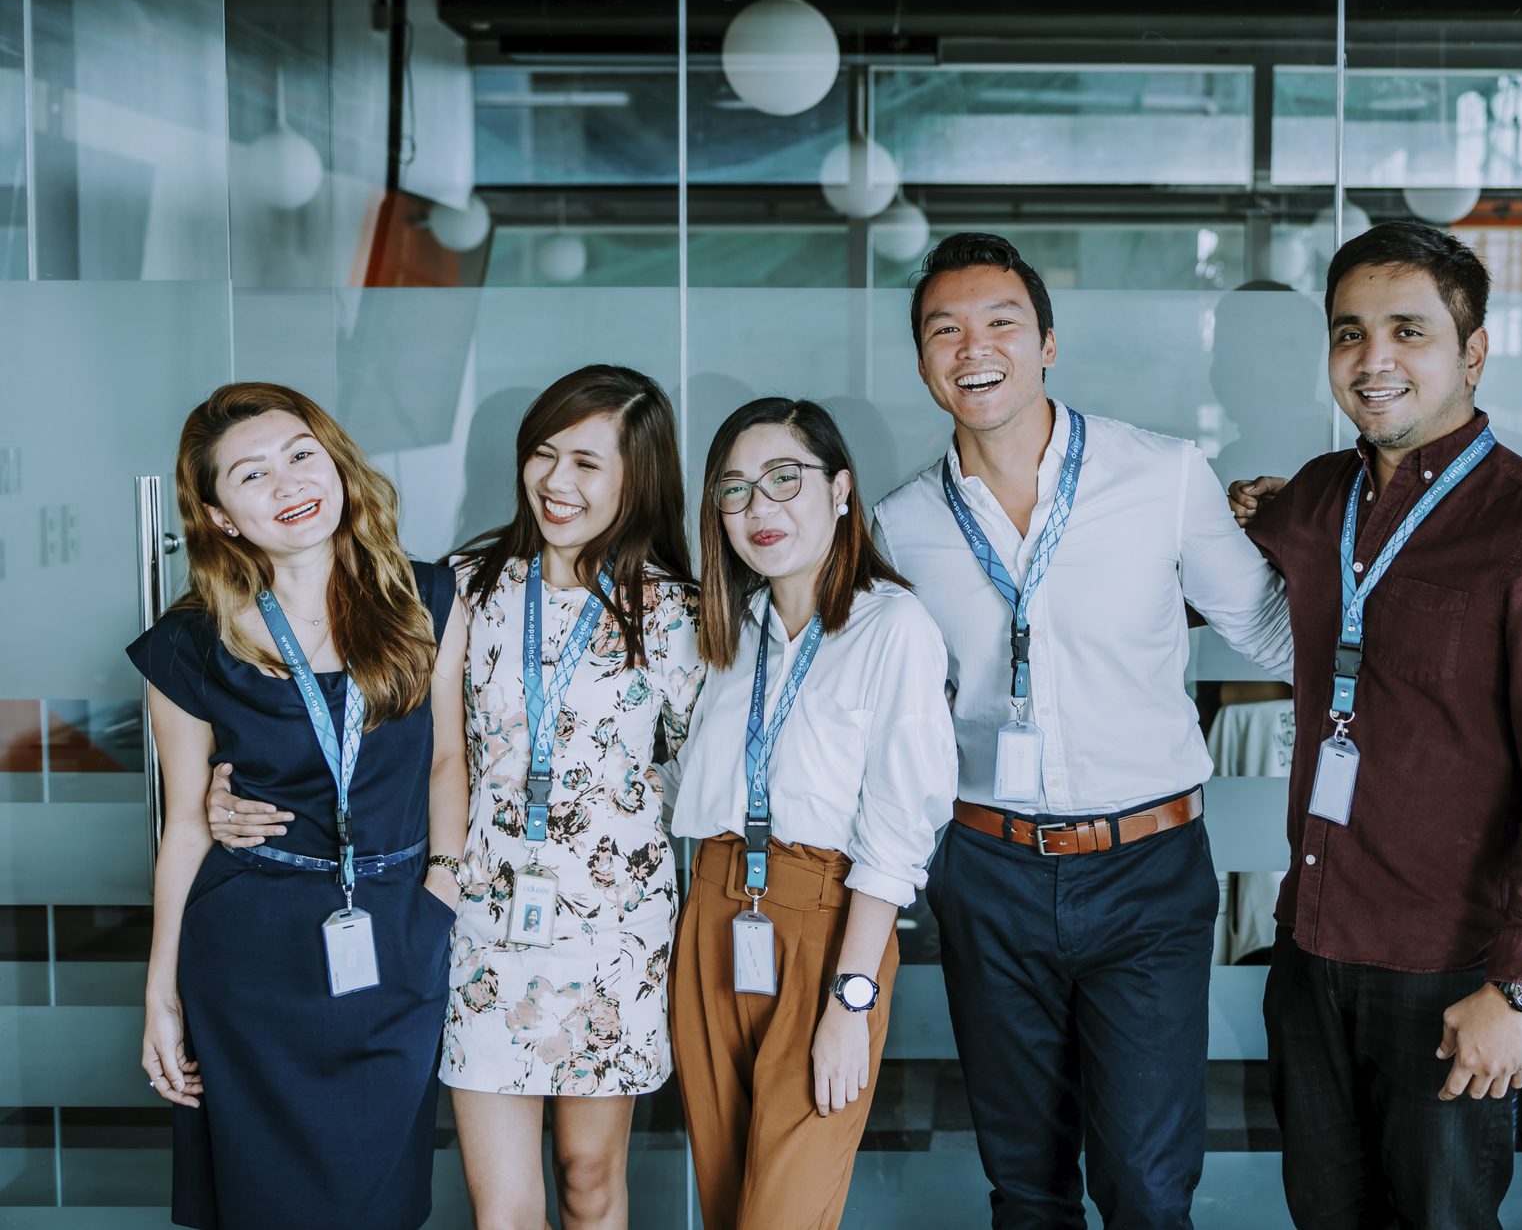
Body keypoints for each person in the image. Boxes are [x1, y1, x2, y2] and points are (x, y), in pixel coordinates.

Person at [211, 365, 707, 1230]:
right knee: (502, 1207)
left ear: (640, 476)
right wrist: (227, 788)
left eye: (588, 463)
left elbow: (720, 769)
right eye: (544, 455)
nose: (557, 481)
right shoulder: (461, 586)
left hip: (615, 929)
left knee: (590, 1179)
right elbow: (376, 724)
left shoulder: (677, 613)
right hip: (480, 915)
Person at [872, 232, 1293, 1230]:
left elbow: (1273, 629)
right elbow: (888, 711)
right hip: (988, 866)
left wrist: (1329, 533)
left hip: (1145, 868)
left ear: (1047, 342)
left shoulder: (1162, 475)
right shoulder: (898, 527)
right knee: (1025, 1188)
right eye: (945, 329)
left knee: (1147, 1189)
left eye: (1000, 321)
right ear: (924, 358)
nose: (974, 346)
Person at [1227, 221, 1522, 1230]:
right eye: (1349, 331)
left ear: (1471, 351)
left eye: (1408, 330)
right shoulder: (1320, 497)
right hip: (1310, 950)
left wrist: (1519, 986)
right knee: (1324, 1213)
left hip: (1451, 971)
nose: (1373, 359)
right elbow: (1211, 554)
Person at [130, 382, 466, 1230]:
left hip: (394, 932)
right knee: (262, 1203)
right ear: (218, 516)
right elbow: (183, 827)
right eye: (252, 475)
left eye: (300, 455)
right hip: (250, 954)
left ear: (338, 465)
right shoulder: (190, 641)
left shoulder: (428, 598)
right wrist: (160, 995)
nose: (286, 485)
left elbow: (449, 760)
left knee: (379, 1199)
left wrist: (442, 895)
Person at [670, 396, 956, 1230]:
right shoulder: (729, 629)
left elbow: (901, 831)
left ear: (840, 491)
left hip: (827, 926)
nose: (759, 508)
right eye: (735, 489)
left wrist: (852, 1001)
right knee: (726, 1207)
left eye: (783, 480)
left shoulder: (891, 627)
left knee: (783, 1215)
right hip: (715, 916)